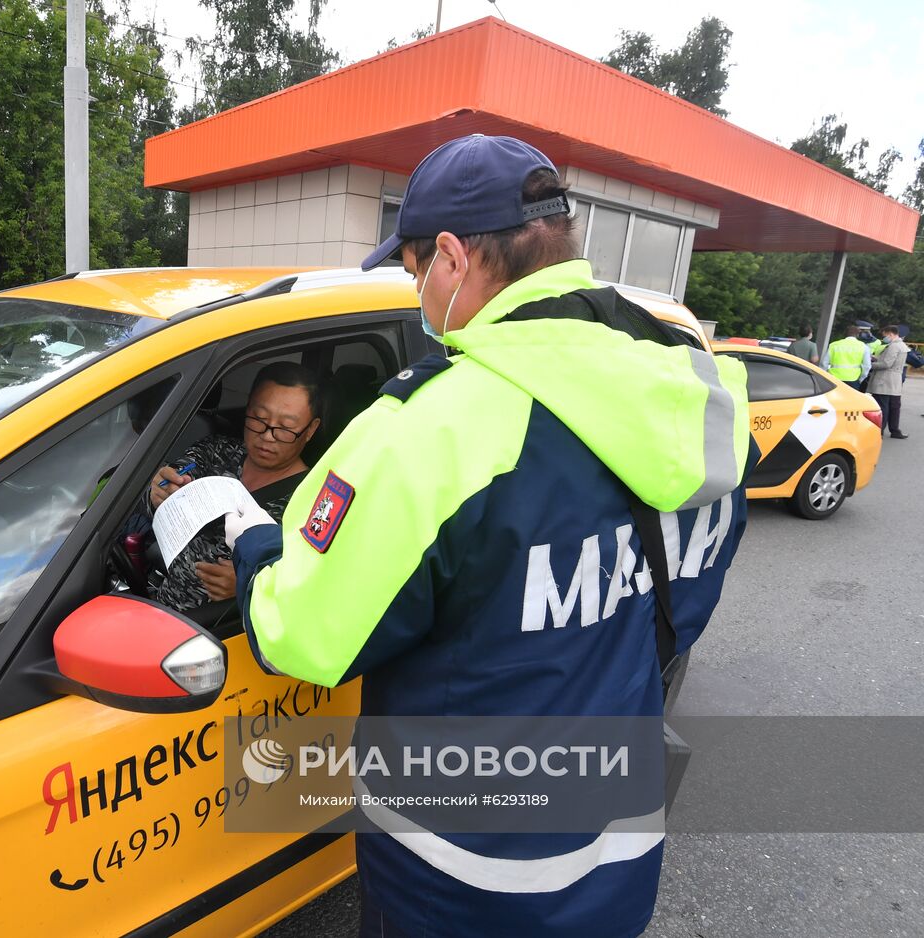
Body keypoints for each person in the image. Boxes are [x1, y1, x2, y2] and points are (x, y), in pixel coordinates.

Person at [221, 135, 753, 938]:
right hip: (618, 847)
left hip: (462, 877)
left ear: (450, 257)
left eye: (410, 273)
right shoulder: (693, 382)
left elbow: (306, 637)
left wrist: (249, 542)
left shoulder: (437, 426)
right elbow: (687, 595)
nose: (416, 294)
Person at [143, 362, 320, 612]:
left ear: (310, 430)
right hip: (159, 605)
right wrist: (157, 493)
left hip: (216, 633)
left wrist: (250, 585)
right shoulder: (216, 451)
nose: (268, 436)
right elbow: (157, 494)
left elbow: (312, 587)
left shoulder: (314, 500)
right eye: (259, 419)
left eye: (285, 428)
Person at [866, 325, 908, 439]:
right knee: (892, 406)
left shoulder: (894, 347)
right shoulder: (901, 345)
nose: (884, 338)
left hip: (884, 380)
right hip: (893, 381)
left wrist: (869, 365)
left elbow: (886, 364)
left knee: (882, 407)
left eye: (884, 335)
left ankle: (879, 431)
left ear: (890, 334)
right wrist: (875, 358)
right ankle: (894, 430)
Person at [824, 325, 871, 391]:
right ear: (857, 335)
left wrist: (824, 377)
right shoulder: (864, 347)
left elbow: (824, 364)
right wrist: (861, 379)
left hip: (833, 378)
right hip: (853, 379)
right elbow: (867, 366)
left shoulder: (834, 345)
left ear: (844, 334)